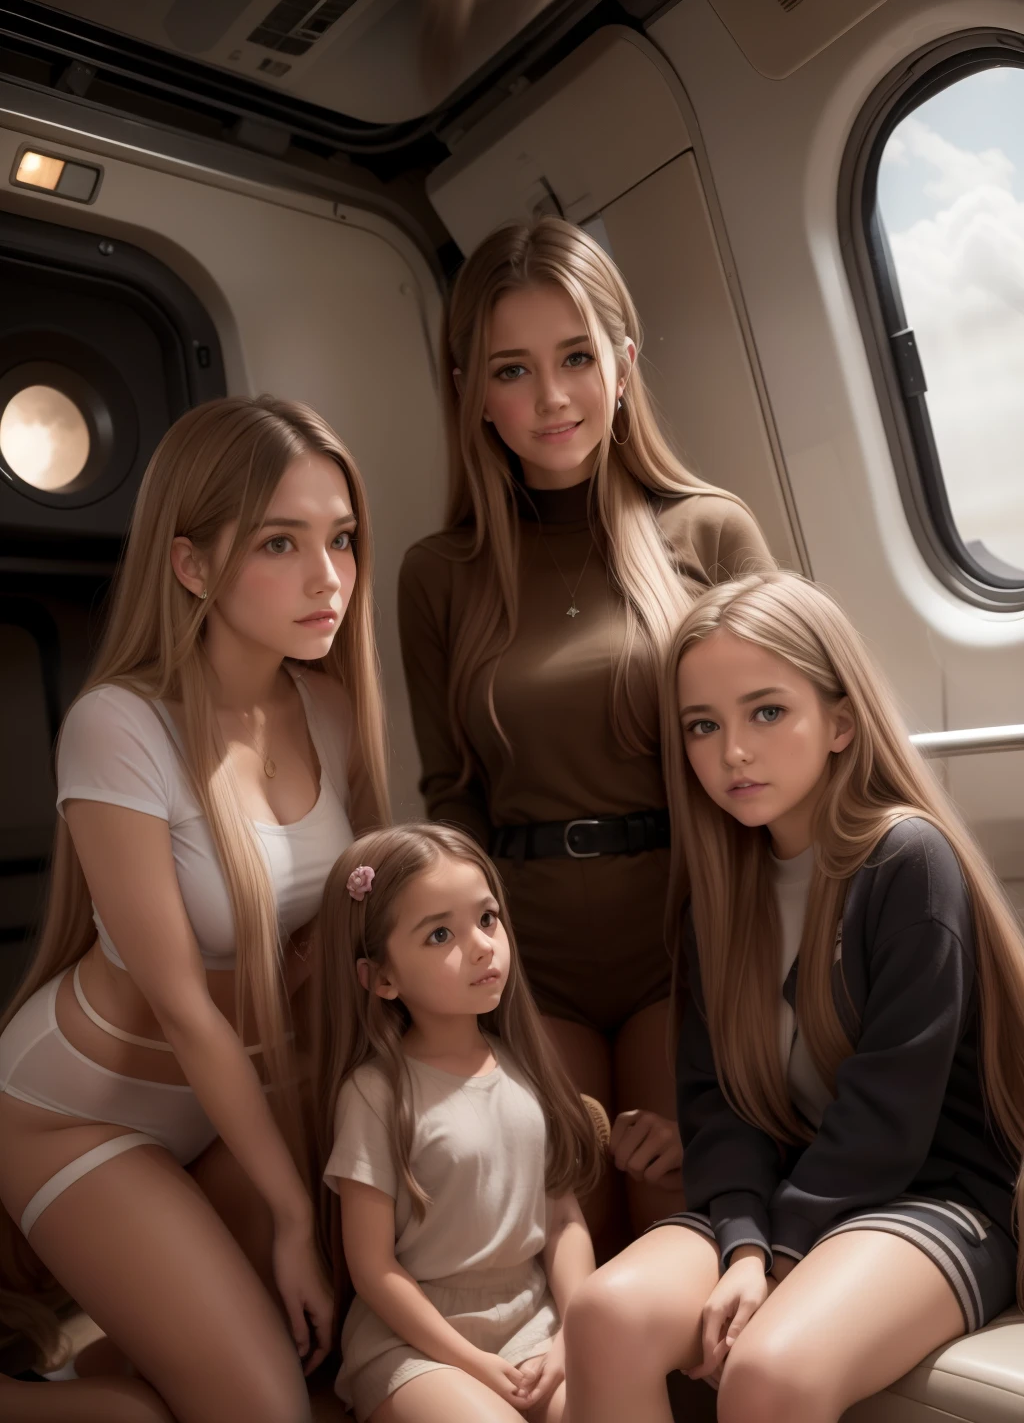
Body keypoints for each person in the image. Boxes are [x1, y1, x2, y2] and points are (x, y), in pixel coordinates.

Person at [0, 396, 389, 1423]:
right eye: (280, 543)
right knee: (267, 1411)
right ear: (191, 566)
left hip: (233, 1107)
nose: (328, 578)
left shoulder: (331, 710)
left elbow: (337, 930)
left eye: (341, 540)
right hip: (79, 1117)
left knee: (325, 1366)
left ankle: (108, 1369)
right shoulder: (118, 724)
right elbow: (184, 1007)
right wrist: (293, 1219)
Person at [563, 571, 1024, 1423]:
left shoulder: (906, 863)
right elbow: (721, 1109)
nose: (732, 751)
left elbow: (888, 1116)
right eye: (703, 726)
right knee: (602, 1317)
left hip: (936, 1196)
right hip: (782, 1189)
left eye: (766, 712)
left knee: (768, 1374)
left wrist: (772, 1256)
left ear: (840, 722)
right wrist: (744, 1243)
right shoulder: (722, 891)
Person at [398, 216, 775, 1247]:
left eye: (575, 357)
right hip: (526, 955)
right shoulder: (439, 575)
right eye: (513, 370)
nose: (552, 397)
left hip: (682, 940)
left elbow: (778, 760)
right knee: (570, 1238)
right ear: (471, 389)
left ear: (623, 361)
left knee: (680, 1226)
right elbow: (451, 795)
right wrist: (474, 978)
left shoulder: (709, 529)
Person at [311, 822, 602, 1423]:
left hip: (534, 1321)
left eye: (488, 919)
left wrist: (575, 1330)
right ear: (381, 978)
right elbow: (372, 1267)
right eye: (440, 933)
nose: (480, 946)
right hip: (416, 1344)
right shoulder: (374, 1094)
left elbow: (563, 1218)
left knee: (607, 1406)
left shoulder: (525, 1066)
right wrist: (469, 1360)